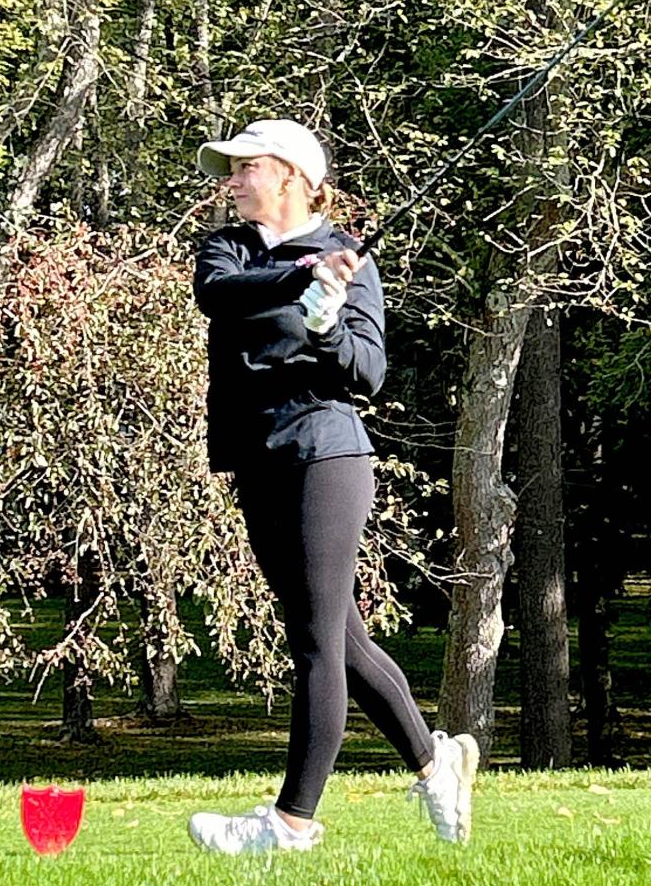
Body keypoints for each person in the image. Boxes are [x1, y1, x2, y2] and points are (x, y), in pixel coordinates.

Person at [187, 118, 478, 856]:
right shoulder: (232, 248)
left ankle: (291, 820)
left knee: (315, 639)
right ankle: (435, 759)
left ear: (287, 172)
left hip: (327, 453)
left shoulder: (350, 262)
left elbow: (366, 373)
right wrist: (304, 277)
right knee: (341, 639)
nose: (232, 178)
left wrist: (325, 327)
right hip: (257, 457)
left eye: (244, 166)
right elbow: (219, 294)